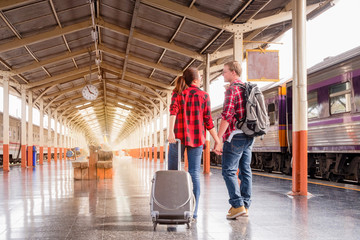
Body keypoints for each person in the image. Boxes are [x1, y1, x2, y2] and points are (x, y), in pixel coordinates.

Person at [168, 67, 221, 221]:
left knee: (172, 171)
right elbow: (208, 122)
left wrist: (170, 132)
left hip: (177, 137)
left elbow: (173, 111)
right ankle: (195, 211)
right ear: (197, 80)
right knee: (194, 174)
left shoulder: (178, 93)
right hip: (197, 138)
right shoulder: (204, 96)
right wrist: (217, 140)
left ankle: (173, 206)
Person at [216, 61, 255, 219]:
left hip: (235, 135)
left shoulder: (232, 89)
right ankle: (245, 206)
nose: (223, 75)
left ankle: (237, 204)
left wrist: (218, 138)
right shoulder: (246, 88)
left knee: (228, 171)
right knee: (245, 171)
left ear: (233, 73)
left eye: (225, 72)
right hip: (249, 135)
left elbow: (227, 116)